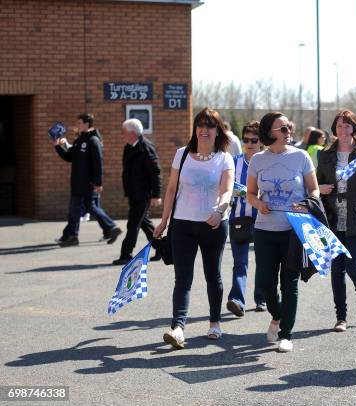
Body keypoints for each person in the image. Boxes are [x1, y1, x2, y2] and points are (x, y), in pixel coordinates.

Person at [153, 107, 234, 349]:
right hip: (182, 224)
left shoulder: (224, 158)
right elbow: (171, 189)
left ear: (217, 130)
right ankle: (177, 328)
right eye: (200, 124)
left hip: (213, 225)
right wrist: (164, 220)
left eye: (209, 125)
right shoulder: (182, 154)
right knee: (182, 278)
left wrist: (219, 211)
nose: (204, 130)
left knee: (213, 275)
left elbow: (227, 189)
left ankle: (215, 323)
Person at [246, 112, 319, 353]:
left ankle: (286, 334)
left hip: (292, 230)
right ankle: (276, 316)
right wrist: (259, 205)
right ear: (270, 133)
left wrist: (307, 203)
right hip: (264, 230)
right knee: (266, 285)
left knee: (289, 283)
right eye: (283, 129)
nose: (289, 132)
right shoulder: (257, 159)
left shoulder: (301, 157)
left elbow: (315, 190)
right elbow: (249, 194)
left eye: (289, 127)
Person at [317, 110, 356, 332]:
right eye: (339, 126)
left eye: (347, 126)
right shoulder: (325, 155)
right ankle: (341, 317)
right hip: (333, 217)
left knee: (353, 265)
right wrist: (319, 189)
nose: (343, 130)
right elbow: (317, 183)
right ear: (334, 129)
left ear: (354, 129)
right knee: (337, 268)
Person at [53, 113, 122, 247]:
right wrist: (57, 146)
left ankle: (110, 227)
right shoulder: (79, 140)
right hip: (77, 182)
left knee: (89, 207)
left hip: (88, 182)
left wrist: (98, 182)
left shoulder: (93, 140)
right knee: (78, 209)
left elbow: (98, 162)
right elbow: (69, 157)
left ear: (86, 124)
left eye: (79, 123)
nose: (77, 126)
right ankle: (75, 236)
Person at [226, 120, 267, 316]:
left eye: (254, 139)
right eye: (246, 140)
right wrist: (241, 192)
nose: (249, 143)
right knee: (240, 263)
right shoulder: (234, 162)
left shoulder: (268, 162)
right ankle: (237, 300)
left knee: (263, 262)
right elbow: (225, 186)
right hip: (239, 218)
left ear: (262, 141)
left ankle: (262, 299)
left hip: (263, 219)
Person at [112, 119, 163, 265]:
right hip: (133, 193)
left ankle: (126, 254)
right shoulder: (128, 147)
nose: (122, 135)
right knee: (144, 224)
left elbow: (156, 172)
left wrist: (156, 195)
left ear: (133, 133)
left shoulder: (146, 148)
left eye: (124, 132)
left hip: (143, 193)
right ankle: (162, 248)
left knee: (133, 224)